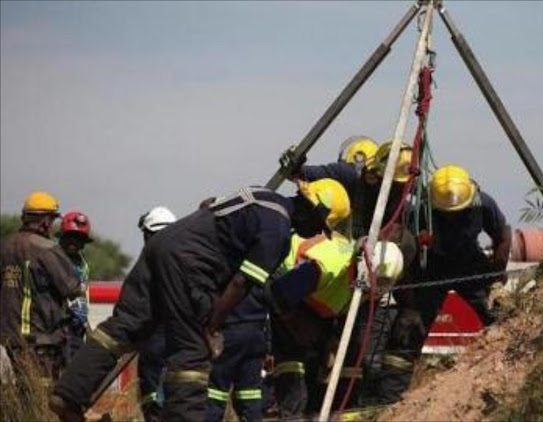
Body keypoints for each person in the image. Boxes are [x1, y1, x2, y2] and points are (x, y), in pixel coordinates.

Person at [50, 179, 350, 422]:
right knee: (192, 351)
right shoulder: (279, 232)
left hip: (163, 245)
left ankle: (68, 394)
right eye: (320, 226)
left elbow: (209, 206)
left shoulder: (262, 195)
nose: (316, 235)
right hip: (191, 264)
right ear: (311, 212)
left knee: (124, 326)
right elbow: (241, 282)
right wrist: (211, 326)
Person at [375, 164, 513, 404]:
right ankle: (388, 400)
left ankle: (505, 380)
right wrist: (408, 299)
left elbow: (502, 235)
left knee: (493, 317)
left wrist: (496, 275)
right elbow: (406, 258)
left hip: (469, 264)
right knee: (407, 329)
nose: (453, 216)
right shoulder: (419, 211)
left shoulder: (483, 203)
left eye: (458, 212)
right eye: (447, 213)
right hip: (430, 268)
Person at [269, 231, 403, 419]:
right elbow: (278, 294)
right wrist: (295, 323)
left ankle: (311, 410)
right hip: (282, 281)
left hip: (312, 300)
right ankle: (290, 412)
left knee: (317, 355)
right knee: (293, 358)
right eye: (377, 282)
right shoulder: (328, 267)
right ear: (365, 267)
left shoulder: (365, 283)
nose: (377, 289)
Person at [0, 192, 83, 385]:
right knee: (43, 389)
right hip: (41, 338)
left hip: (10, 336)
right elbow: (72, 288)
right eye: (52, 220)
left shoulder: (5, 246)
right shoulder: (45, 248)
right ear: (45, 222)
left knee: (24, 387)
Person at [135, 206, 176, 422]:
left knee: (152, 390)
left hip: (154, 337)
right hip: (181, 338)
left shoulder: (147, 263)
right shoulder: (185, 260)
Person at [58, 211, 94, 365]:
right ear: (63, 236)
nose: (75, 242)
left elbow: (83, 295)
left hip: (79, 325)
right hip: (60, 324)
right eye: (71, 237)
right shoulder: (54, 257)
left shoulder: (82, 262)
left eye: (79, 239)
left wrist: (87, 323)